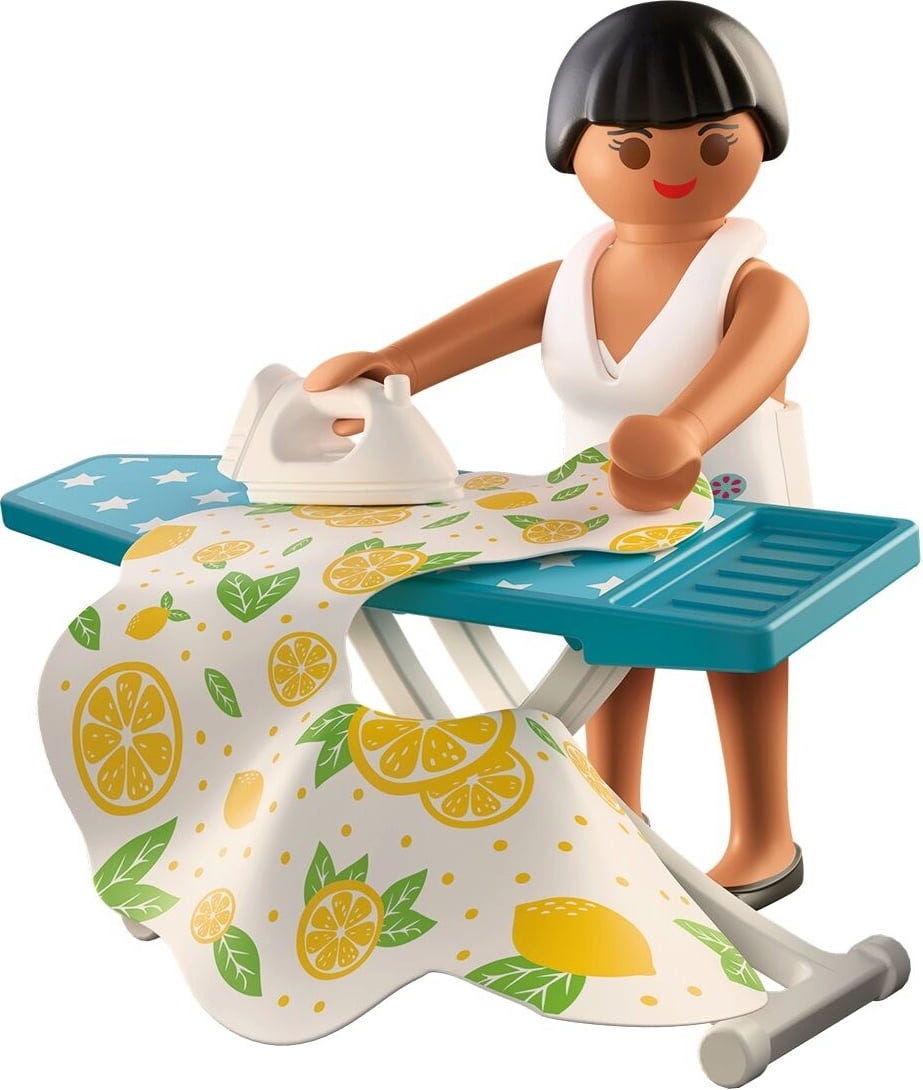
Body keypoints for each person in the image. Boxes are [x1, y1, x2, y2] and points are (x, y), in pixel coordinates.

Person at [303, 2, 810, 908]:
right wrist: (390, 367)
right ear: (575, 150)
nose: (670, 169)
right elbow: (458, 340)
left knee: (740, 659)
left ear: (756, 140)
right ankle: (612, 810)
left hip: (738, 507)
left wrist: (686, 431)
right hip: (598, 505)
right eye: (629, 148)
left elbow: (750, 365)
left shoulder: (758, 287)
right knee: (607, 646)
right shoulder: (570, 278)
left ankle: (763, 837)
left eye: (710, 141)